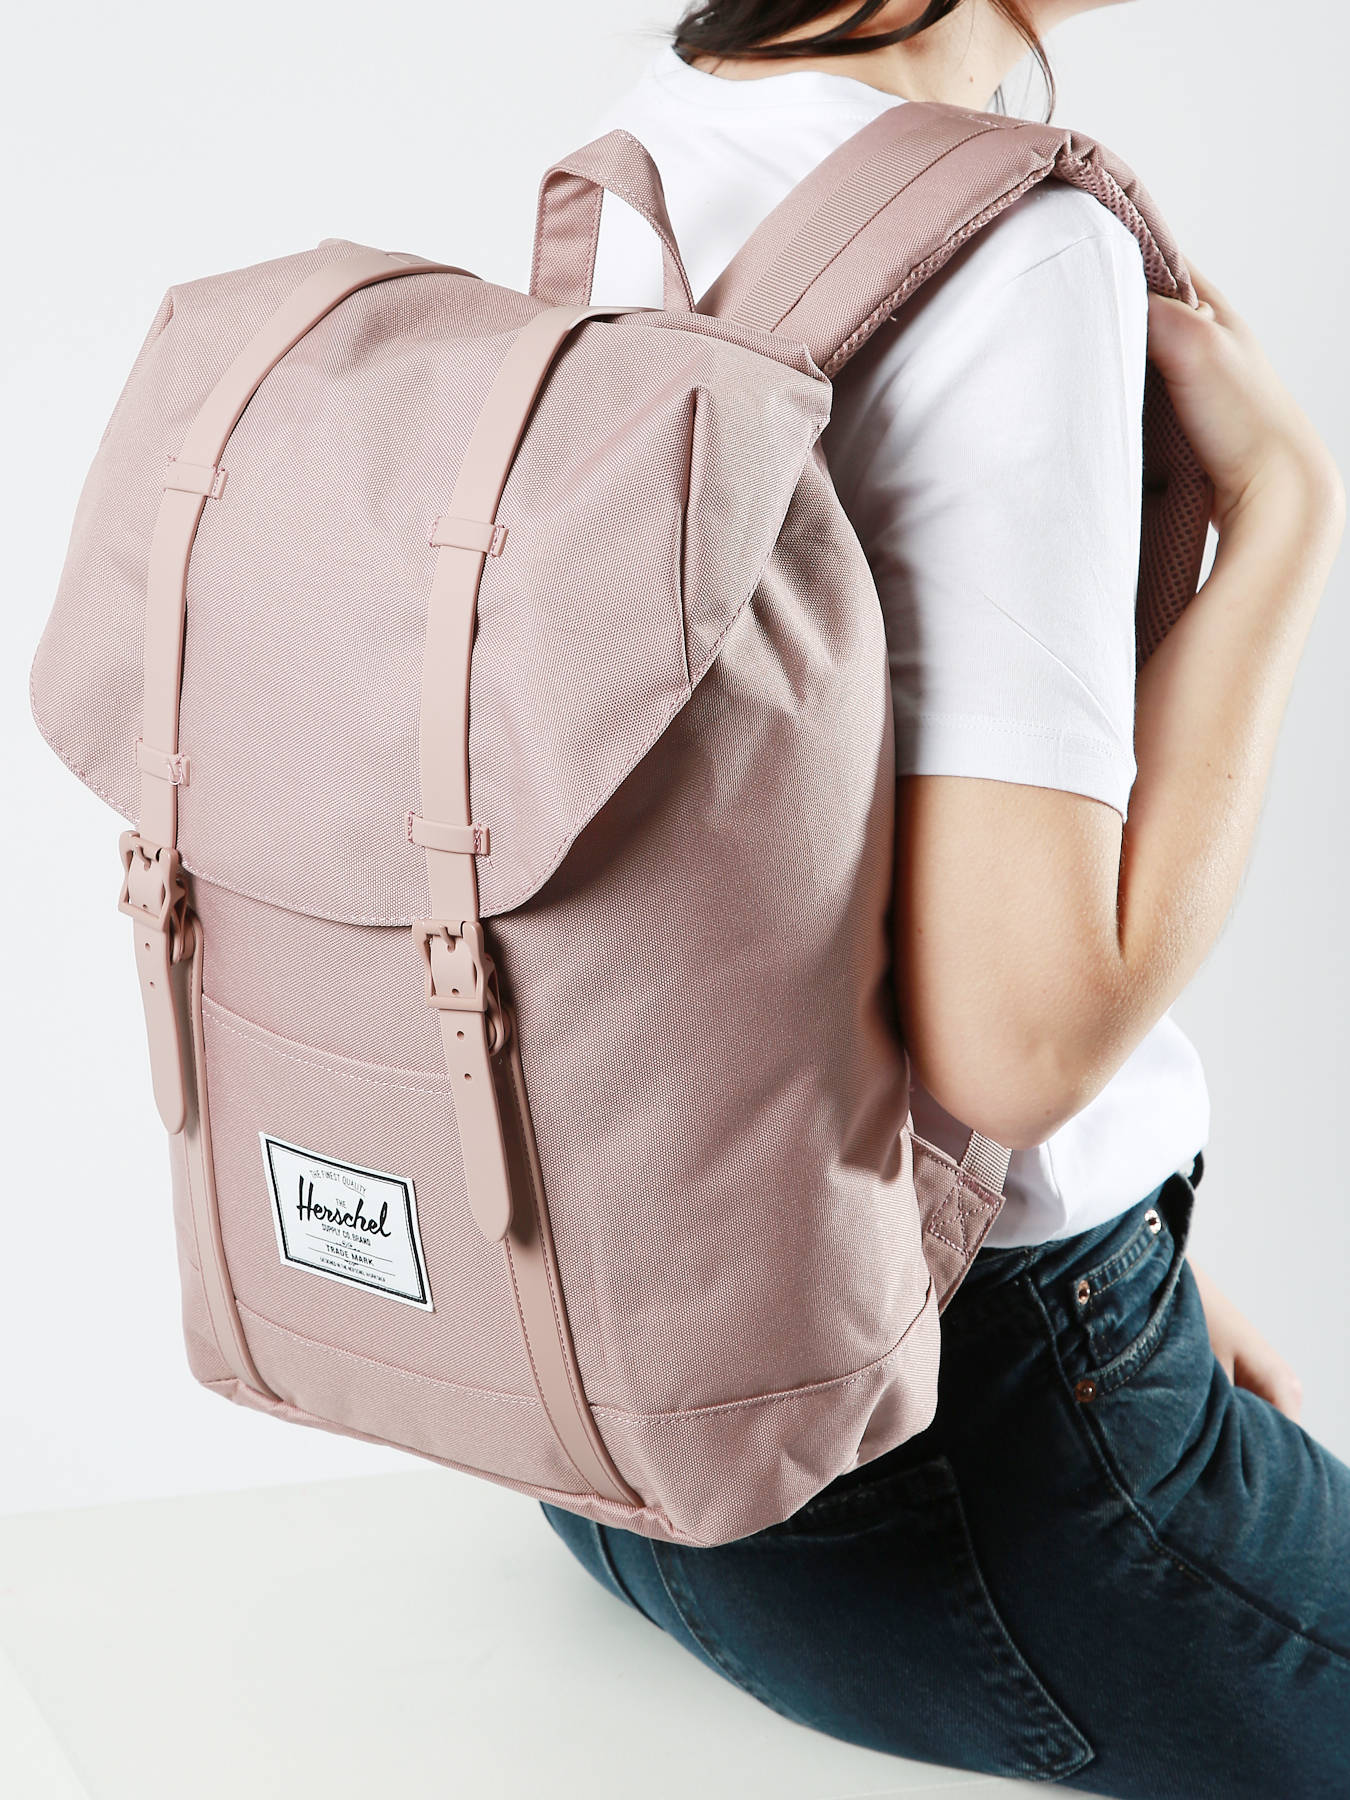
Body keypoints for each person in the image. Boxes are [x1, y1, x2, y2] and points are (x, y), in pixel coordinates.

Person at [541, 3, 1348, 1793]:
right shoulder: (1009, 243)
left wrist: (1120, 1236)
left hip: (620, 1434)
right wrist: (1289, 514)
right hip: (963, 1469)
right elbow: (1019, 1047)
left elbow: (712, 863)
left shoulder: (651, 143)